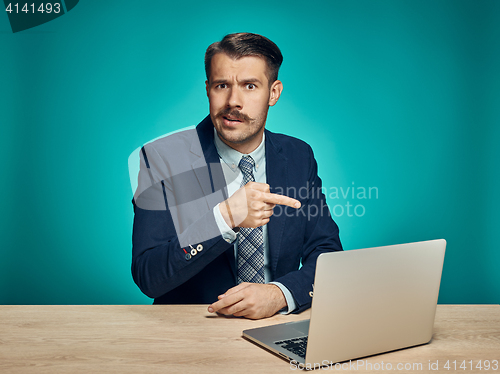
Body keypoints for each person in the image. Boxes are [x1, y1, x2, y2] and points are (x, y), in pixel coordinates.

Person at [131, 33, 342, 320]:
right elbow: (149, 276)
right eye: (222, 86)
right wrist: (224, 218)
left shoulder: (298, 156)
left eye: (250, 86)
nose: (233, 101)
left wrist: (280, 294)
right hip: (192, 333)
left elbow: (328, 255)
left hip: (277, 326)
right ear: (208, 89)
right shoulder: (161, 158)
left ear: (274, 93)